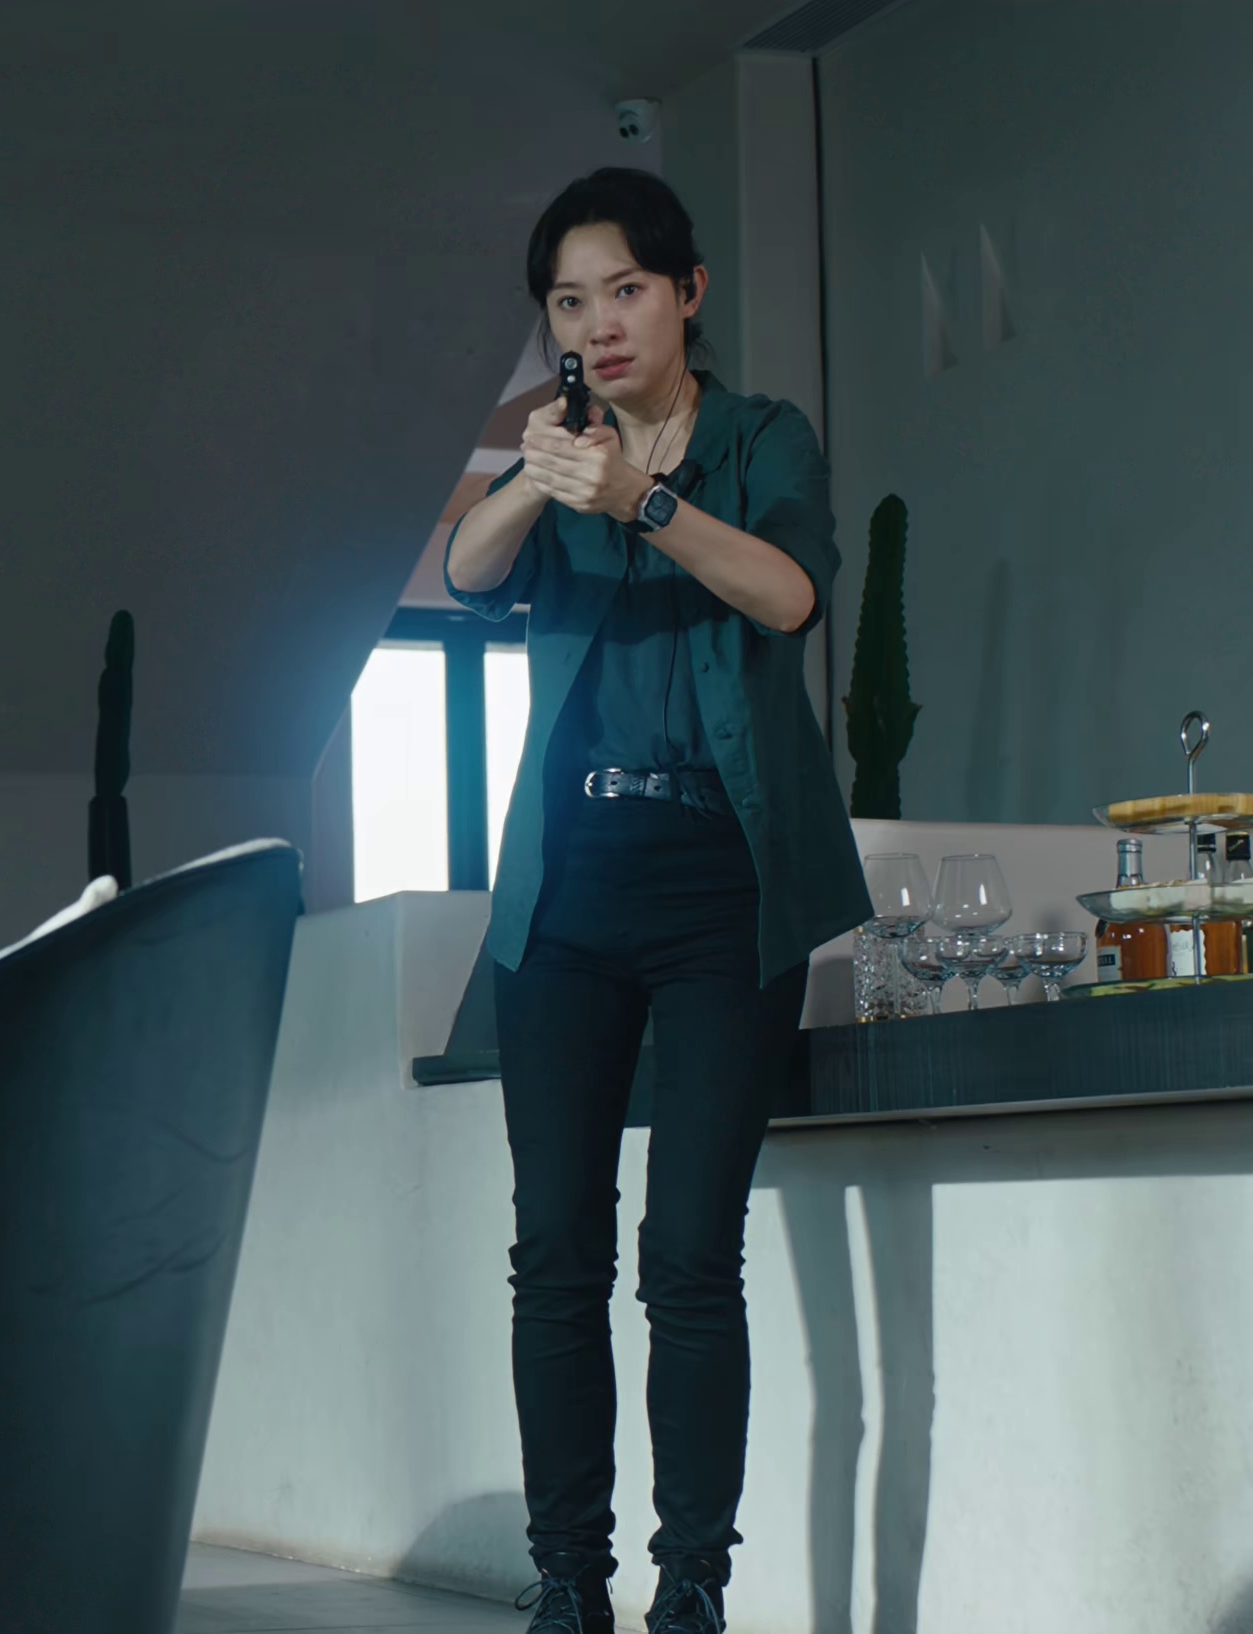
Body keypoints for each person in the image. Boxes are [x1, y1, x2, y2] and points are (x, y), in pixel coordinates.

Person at [441, 166, 869, 1634]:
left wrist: (644, 498)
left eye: (626, 289)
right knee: (555, 1250)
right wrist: (536, 477)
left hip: (719, 885)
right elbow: (466, 570)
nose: (600, 323)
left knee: (689, 1251)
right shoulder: (555, 454)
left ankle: (692, 1584)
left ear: (687, 293)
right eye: (570, 302)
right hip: (567, 884)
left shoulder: (761, 437)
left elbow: (791, 594)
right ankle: (570, 1579)